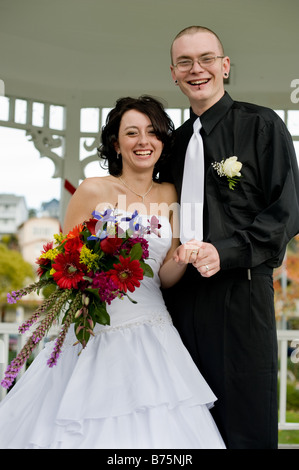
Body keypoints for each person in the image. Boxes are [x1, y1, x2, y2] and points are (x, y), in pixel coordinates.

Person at [0, 95, 226, 449]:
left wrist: (180, 258)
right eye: (132, 133)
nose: (143, 141)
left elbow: (164, 277)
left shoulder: (171, 194)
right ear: (115, 144)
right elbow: (64, 263)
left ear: (163, 141)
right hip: (96, 326)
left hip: (153, 329)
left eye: (152, 132)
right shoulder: (93, 190)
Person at [159, 25, 299, 449]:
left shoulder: (262, 125)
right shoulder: (174, 145)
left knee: (244, 421)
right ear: (173, 73)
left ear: (224, 66)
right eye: (185, 62)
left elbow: (287, 210)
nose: (195, 69)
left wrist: (226, 251)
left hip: (243, 292)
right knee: (183, 421)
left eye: (205, 59)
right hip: (179, 302)